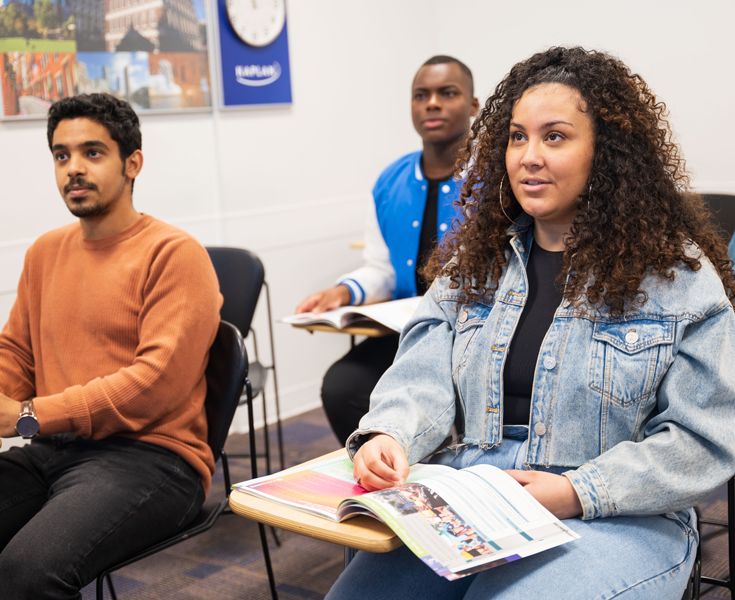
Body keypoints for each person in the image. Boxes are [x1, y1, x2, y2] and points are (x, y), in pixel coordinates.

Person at [326, 46, 735, 599]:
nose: (528, 156)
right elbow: (419, 378)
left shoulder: (677, 277)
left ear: (606, 154)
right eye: (518, 136)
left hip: (618, 512)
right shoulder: (473, 262)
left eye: (555, 137)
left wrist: (573, 491)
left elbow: (702, 442)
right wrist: (388, 434)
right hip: (475, 493)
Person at [0, 93, 221, 599]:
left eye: (92, 153)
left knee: (25, 574)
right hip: (52, 447)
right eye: (61, 155)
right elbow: (17, 353)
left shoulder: (176, 254)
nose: (73, 169)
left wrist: (24, 415)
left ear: (132, 162)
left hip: (152, 458)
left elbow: (152, 386)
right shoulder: (46, 252)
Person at [296, 55, 480, 445]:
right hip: (406, 332)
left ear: (473, 106)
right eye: (421, 95)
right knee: (342, 387)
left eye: (447, 93)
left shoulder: (495, 178)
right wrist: (341, 292)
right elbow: (381, 270)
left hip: (472, 335)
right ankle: (390, 471)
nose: (432, 103)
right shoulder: (389, 181)